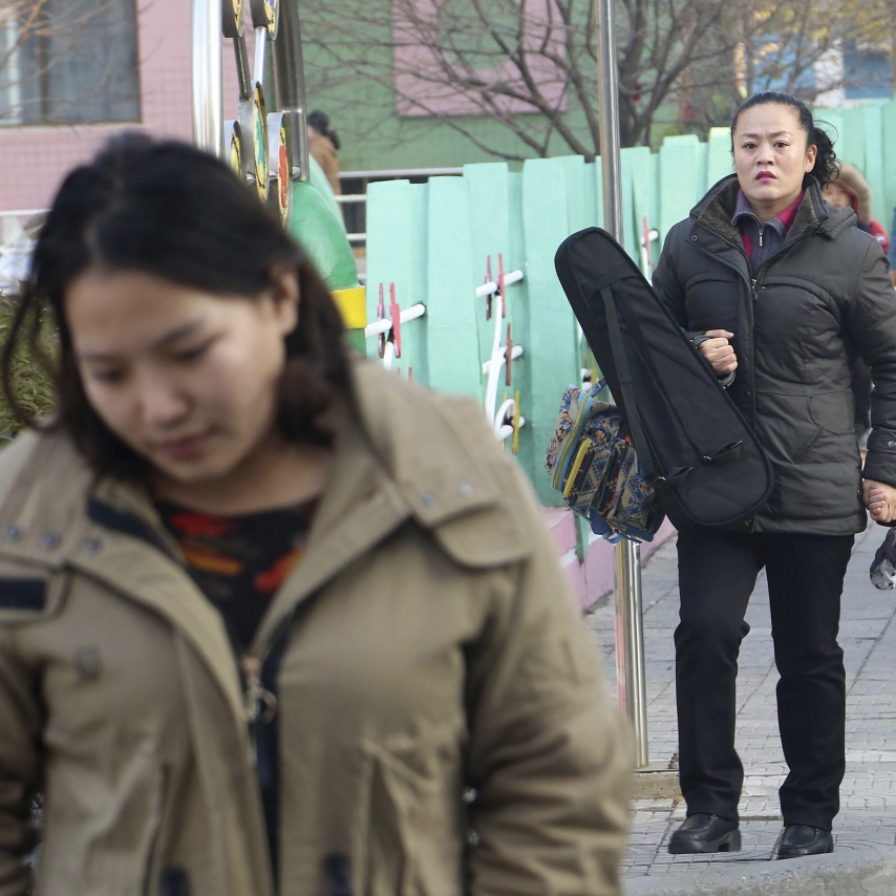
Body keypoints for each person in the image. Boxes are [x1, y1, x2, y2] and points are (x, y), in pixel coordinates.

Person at [0, 134, 632, 896]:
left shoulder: (441, 470)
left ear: (279, 297)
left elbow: (558, 778)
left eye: (190, 352)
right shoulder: (27, 513)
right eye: (109, 371)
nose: (157, 405)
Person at [652, 90, 896, 861]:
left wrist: (886, 467)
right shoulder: (691, 245)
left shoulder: (852, 252)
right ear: (733, 155)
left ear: (809, 155)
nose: (764, 157)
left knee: (810, 653)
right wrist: (695, 352)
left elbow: (893, 364)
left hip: (812, 480)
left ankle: (810, 814)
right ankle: (711, 809)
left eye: (779, 144)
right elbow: (646, 355)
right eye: (749, 144)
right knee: (706, 635)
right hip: (717, 486)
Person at [820, 164, 889, 445]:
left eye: (841, 192)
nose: (835, 198)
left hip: (860, 315)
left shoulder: (865, 231)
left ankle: (862, 422)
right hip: (828, 317)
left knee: (861, 371)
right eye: (827, 191)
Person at [307, 109, 341, 195]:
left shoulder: (317, 149)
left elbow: (313, 177)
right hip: (331, 196)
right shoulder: (326, 144)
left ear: (314, 128)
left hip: (323, 197)